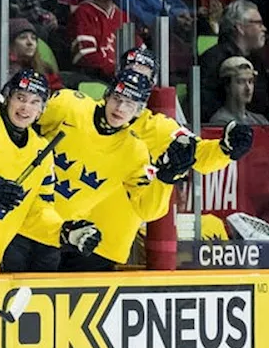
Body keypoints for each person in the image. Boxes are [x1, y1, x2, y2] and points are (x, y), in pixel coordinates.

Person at [5, 69, 192, 272]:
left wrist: (165, 179)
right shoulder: (69, 105)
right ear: (107, 95)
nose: (120, 108)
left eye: (129, 104)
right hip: (15, 221)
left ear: (139, 110)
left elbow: (147, 210)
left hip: (55, 236)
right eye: (117, 98)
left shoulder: (134, 152)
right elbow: (21, 125)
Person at [86, 47, 250, 270]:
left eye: (143, 75)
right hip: (52, 226)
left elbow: (197, 153)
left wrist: (225, 149)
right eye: (131, 71)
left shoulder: (158, 129)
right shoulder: (82, 111)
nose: (135, 79)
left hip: (102, 242)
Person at [0, 70, 99, 271]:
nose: (25, 107)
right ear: (7, 98)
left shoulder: (41, 151)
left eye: (35, 102)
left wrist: (64, 231)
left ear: (42, 110)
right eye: (20, 98)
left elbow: (37, 211)